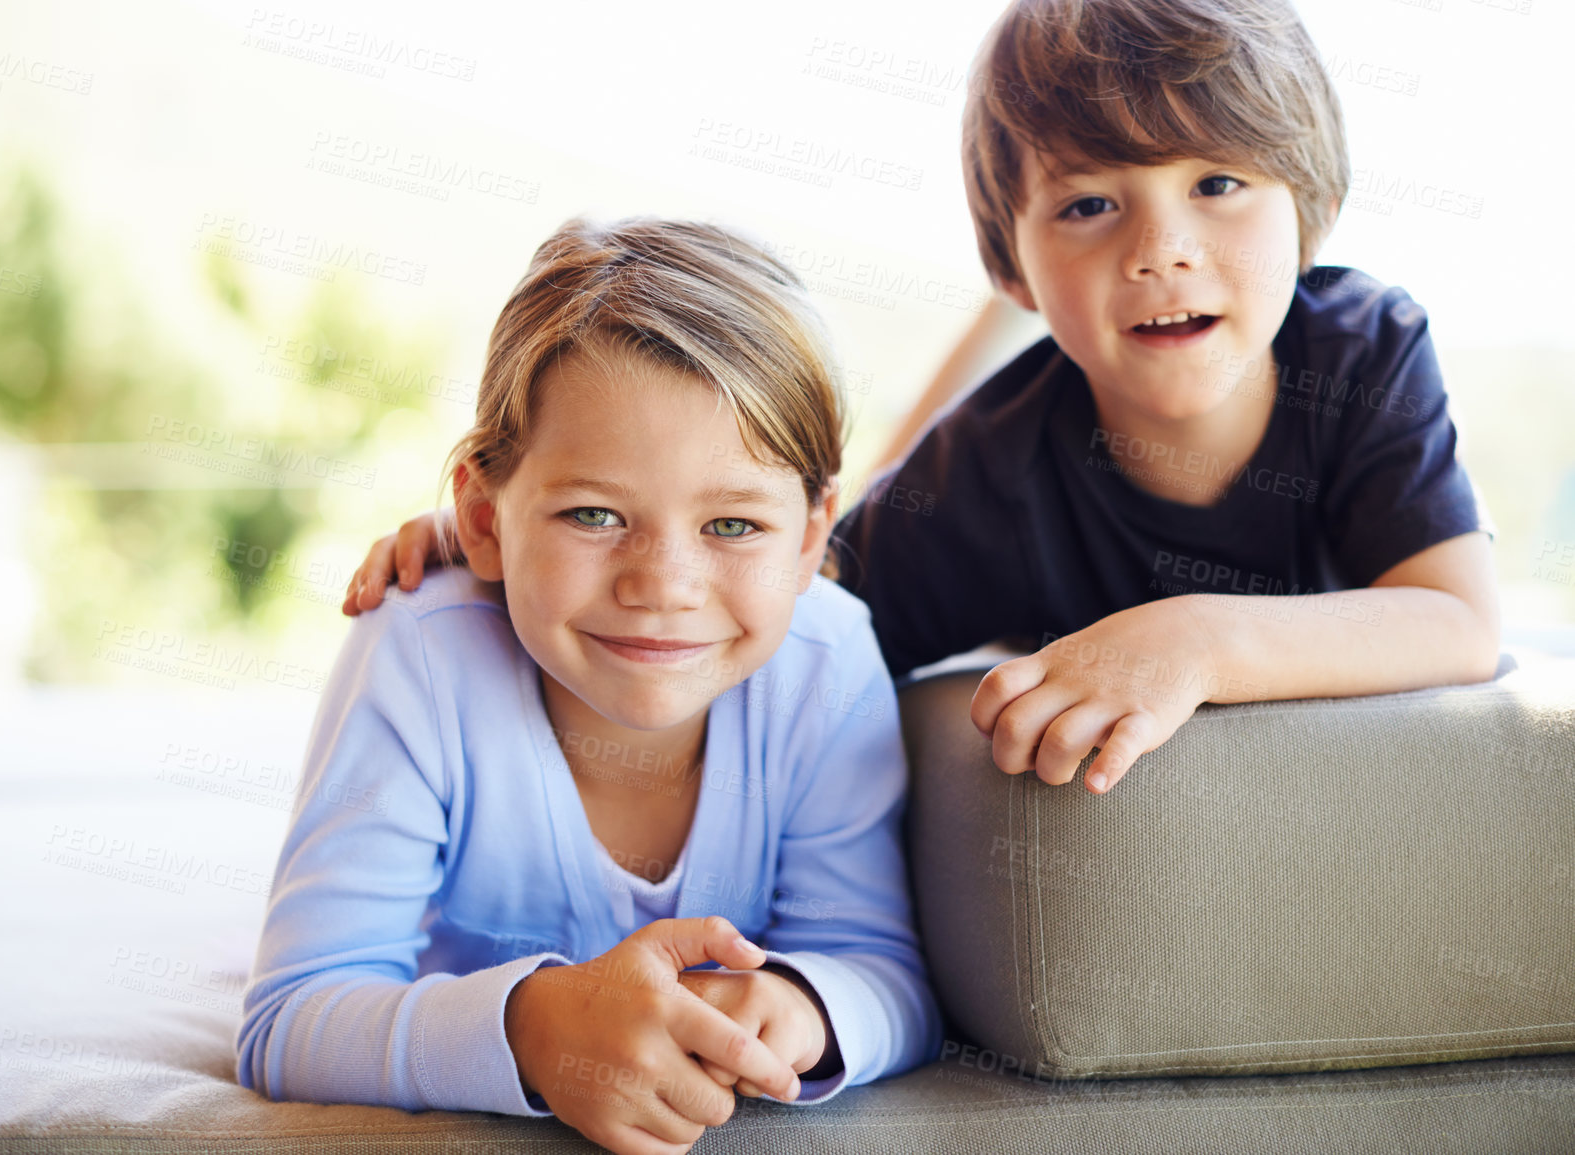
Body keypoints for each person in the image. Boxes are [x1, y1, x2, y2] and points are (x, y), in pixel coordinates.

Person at [343, 0, 1500, 801]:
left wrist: (1193, 639)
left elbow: (1457, 622)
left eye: (1219, 184)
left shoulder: (1363, 350)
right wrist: (519, 527)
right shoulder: (989, 468)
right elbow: (786, 589)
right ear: (1011, 266)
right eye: (1089, 206)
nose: (1163, 249)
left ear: (1312, 203)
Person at [237, 217, 941, 1155]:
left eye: (733, 525)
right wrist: (529, 1029)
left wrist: (801, 1003)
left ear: (812, 535)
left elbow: (882, 970)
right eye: (594, 513)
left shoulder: (825, 662)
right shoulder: (418, 651)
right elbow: (292, 1015)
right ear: (482, 518)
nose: (662, 585)